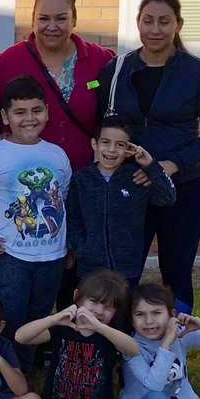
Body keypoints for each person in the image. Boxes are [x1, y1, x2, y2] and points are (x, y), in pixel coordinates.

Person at [96, 0, 200, 314]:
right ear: (138, 23)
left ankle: (175, 350)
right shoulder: (116, 70)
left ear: (178, 25)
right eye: (148, 21)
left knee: (176, 269)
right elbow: (101, 125)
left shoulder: (197, 73)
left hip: (185, 188)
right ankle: (123, 343)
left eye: (164, 22)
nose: (155, 29)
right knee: (124, 270)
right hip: (131, 186)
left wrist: (174, 163)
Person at [0, 75, 72, 371]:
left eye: (37, 110)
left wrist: (66, 244)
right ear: (5, 116)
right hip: (9, 255)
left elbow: (61, 198)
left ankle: (26, 370)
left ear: (47, 112)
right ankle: (5, 374)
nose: (29, 118)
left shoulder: (57, 155)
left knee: (39, 317)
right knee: (9, 317)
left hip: (50, 256)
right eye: (20, 112)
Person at [0, 0, 116, 173]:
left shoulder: (102, 60)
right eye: (44, 19)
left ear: (74, 20)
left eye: (61, 19)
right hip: (24, 179)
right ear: (33, 20)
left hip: (85, 179)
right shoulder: (5, 63)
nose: (52, 26)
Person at [18, 270, 148, 399]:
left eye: (108, 308)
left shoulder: (110, 334)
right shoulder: (61, 329)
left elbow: (133, 349)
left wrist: (101, 328)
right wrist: (53, 319)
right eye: (93, 302)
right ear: (77, 298)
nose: (99, 311)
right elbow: (21, 337)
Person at [66, 116, 175, 284]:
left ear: (129, 149)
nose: (111, 150)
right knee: (92, 309)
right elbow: (72, 218)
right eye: (105, 142)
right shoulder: (81, 180)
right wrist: (82, 249)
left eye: (120, 145)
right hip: (90, 269)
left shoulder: (135, 178)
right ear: (94, 144)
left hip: (127, 268)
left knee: (123, 309)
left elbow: (167, 198)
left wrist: (150, 165)